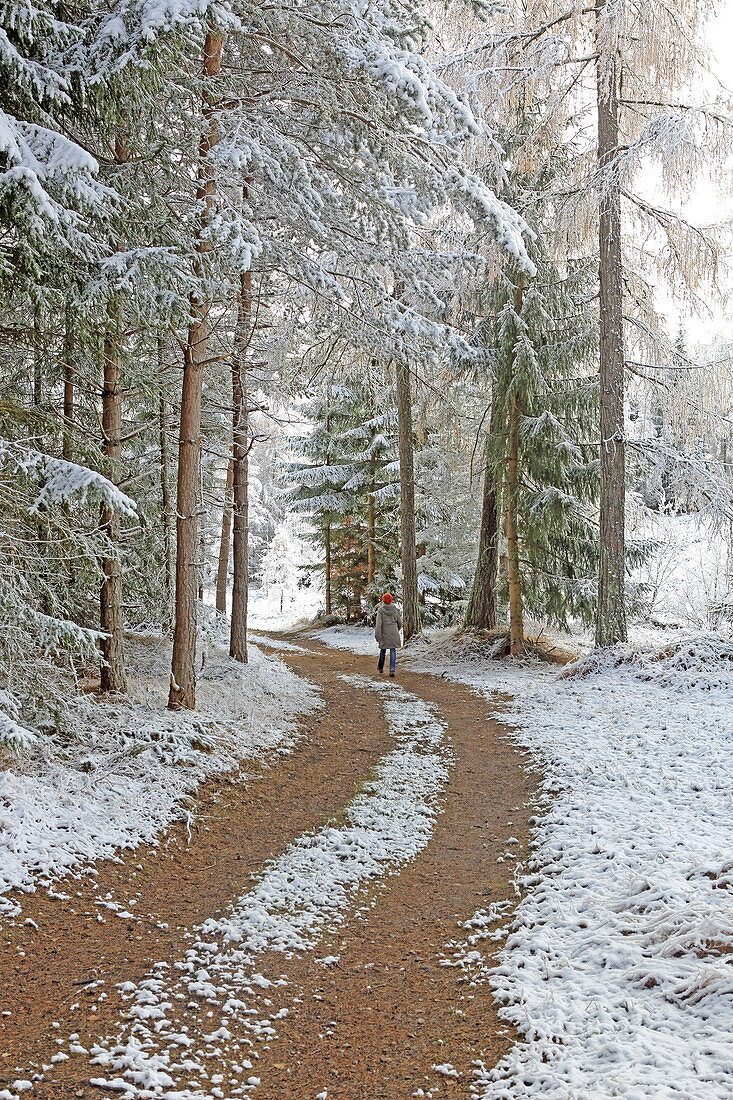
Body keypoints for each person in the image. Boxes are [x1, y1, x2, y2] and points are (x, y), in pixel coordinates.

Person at [374, 592, 402, 677]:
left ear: (383, 600)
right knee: (393, 650)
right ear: (391, 600)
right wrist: (396, 629)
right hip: (393, 632)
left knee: (383, 650)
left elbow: (378, 624)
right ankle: (392, 669)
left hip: (384, 632)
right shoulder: (395, 610)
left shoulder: (381, 610)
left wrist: (377, 635)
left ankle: (380, 668)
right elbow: (399, 623)